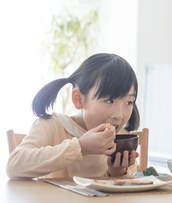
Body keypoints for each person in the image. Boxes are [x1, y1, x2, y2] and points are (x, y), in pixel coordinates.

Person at [6, 53, 140, 179]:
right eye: (109, 101)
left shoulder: (123, 139)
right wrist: (80, 147)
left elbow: (125, 199)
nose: (119, 115)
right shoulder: (51, 126)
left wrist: (117, 173)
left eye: (129, 102)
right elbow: (13, 167)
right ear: (79, 99)